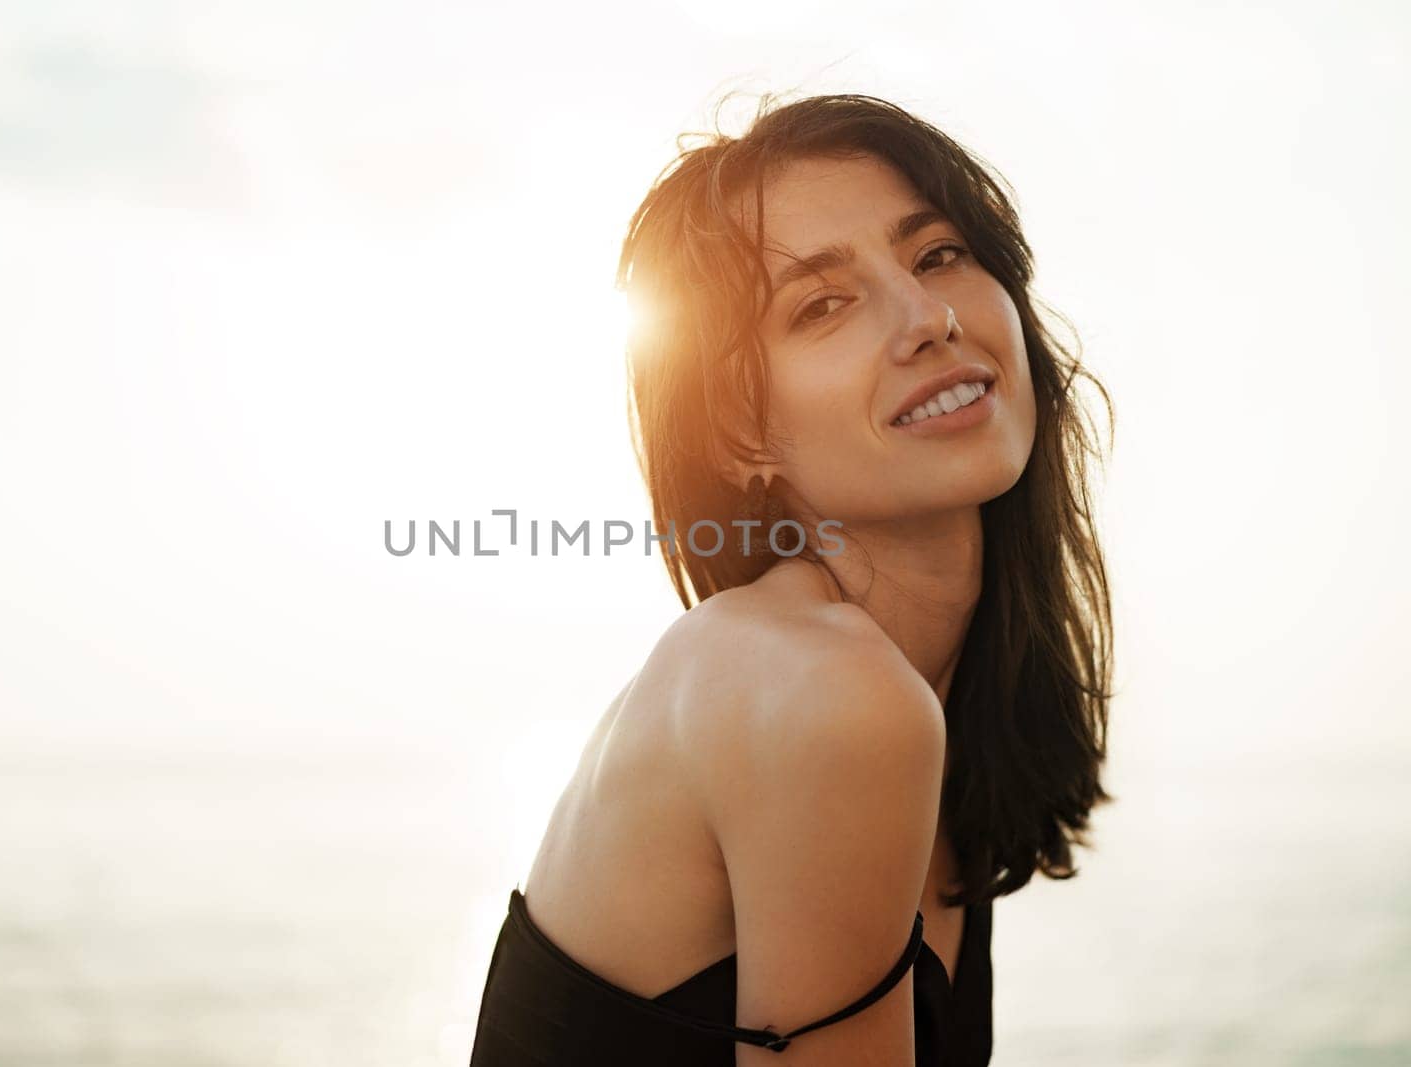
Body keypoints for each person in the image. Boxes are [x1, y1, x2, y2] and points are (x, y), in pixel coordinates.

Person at [468, 91, 1115, 1065]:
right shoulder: (818, 688)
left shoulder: (927, 700)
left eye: (938, 253)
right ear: (741, 432)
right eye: (822, 303)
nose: (928, 316)